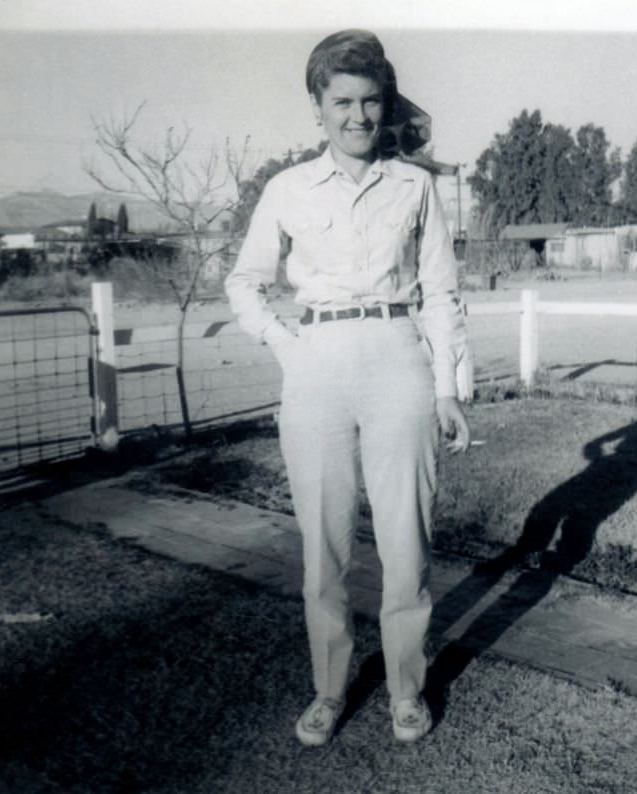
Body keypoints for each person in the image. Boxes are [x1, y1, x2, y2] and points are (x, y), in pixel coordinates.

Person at [225, 29, 470, 746]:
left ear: (384, 104)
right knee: (324, 547)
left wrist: (451, 388)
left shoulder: (415, 184)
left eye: (369, 101)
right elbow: (244, 282)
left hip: (399, 360)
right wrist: (281, 339)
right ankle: (329, 690)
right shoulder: (287, 189)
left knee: (405, 542)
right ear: (317, 107)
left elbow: (440, 292)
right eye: (342, 102)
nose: (357, 116)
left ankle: (404, 691)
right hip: (317, 364)